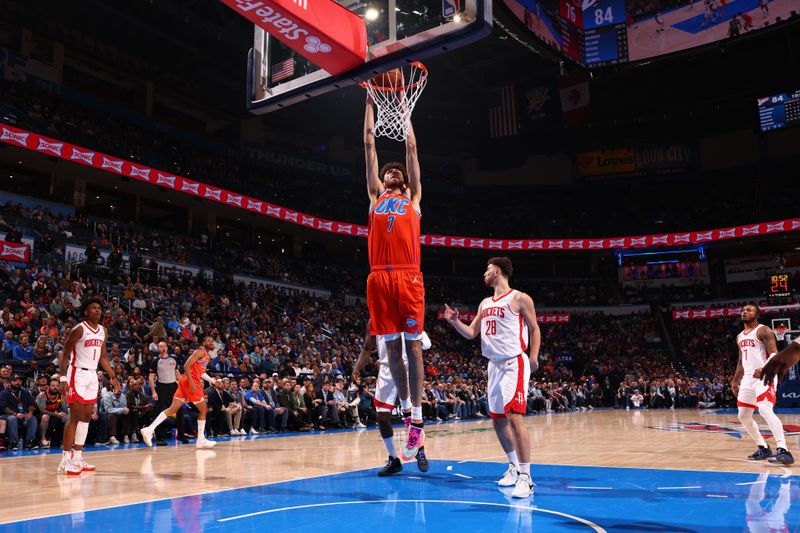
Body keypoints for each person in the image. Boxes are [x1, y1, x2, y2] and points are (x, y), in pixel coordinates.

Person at [443, 257, 541, 498]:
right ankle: (514, 467)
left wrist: (534, 357)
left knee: (514, 416)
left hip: (514, 362)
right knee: (497, 419)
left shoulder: (519, 298)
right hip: (493, 366)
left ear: (496, 272)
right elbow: (470, 333)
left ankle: (527, 478)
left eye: (487, 270)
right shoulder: (484, 303)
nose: (484, 274)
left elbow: (535, 328)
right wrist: (455, 322)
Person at [364, 95, 426, 460]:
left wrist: (405, 113)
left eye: (397, 171)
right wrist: (369, 101)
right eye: (389, 172)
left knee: (413, 346)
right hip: (378, 278)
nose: (394, 172)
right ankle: (406, 409)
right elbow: (369, 141)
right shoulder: (374, 197)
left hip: (408, 276)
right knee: (391, 351)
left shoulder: (414, 199)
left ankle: (416, 416)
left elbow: (413, 149)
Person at [353, 320, 432, 475]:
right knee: (382, 416)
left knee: (410, 415)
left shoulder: (405, 314)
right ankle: (394, 459)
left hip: (408, 368)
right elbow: (367, 347)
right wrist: (357, 368)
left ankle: (419, 450)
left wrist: (419, 343)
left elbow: (427, 343)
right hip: (386, 370)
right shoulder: (373, 321)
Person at [58, 298, 120, 475]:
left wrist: (113, 376)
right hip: (77, 373)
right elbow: (65, 354)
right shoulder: (79, 329)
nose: (97, 311)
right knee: (75, 416)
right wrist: (63, 377)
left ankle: (77, 457)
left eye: (99, 308)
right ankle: (64, 460)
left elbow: (103, 357)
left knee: (86, 417)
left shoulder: (103, 331)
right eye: (93, 308)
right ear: (86, 311)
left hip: (93, 375)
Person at [732, 305, 793, 465]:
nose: (744, 312)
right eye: (743, 310)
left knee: (765, 409)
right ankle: (763, 447)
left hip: (766, 374)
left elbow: (774, 354)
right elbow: (740, 361)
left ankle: (784, 451)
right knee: (743, 415)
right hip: (748, 378)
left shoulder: (763, 330)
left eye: (749, 310)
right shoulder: (739, 336)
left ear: (757, 314)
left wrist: (764, 368)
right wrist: (735, 379)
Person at [141, 336, 221, 448]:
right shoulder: (200, 352)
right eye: (208, 341)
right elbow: (186, 366)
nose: (212, 342)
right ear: (203, 343)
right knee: (203, 409)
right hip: (190, 381)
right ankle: (201, 439)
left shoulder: (206, 356)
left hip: (185, 381)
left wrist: (213, 381)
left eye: (213, 341)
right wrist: (192, 383)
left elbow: (201, 372)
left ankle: (149, 429)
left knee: (172, 409)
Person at [148, 341, 180, 445]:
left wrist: (183, 387)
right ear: (158, 349)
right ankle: (160, 438)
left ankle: (182, 435)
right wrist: (153, 391)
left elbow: (178, 374)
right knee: (159, 412)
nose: (163, 348)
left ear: (167, 347)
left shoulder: (173, 359)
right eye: (160, 346)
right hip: (162, 386)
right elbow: (151, 377)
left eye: (164, 346)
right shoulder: (155, 361)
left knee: (180, 410)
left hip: (174, 386)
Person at [0, 374, 38, 450]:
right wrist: (16, 414)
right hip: (7, 415)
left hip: (23, 415)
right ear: (10, 382)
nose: (18, 382)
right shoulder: (4, 393)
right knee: (12, 419)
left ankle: (29, 441)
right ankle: (13, 443)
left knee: (32, 418)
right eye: (15, 380)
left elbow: (31, 404)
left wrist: (30, 413)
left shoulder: (25, 392)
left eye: (20, 380)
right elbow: (4, 408)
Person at [36, 377, 68, 448]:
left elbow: (65, 410)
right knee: (45, 416)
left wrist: (63, 413)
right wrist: (55, 414)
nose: (55, 387)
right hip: (40, 416)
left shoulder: (61, 396)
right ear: (48, 386)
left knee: (68, 416)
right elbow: (41, 410)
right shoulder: (42, 395)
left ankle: (65, 440)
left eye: (57, 386)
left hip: (55, 416)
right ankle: (42, 439)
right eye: (53, 385)